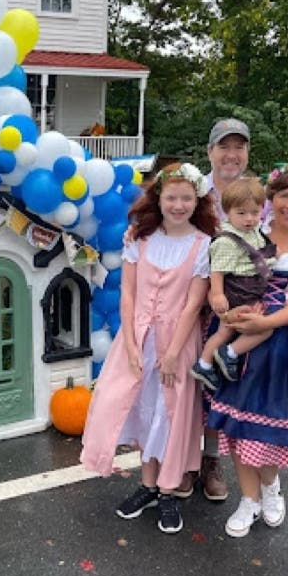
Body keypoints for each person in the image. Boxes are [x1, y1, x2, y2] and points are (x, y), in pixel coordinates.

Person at [79, 162, 218, 535]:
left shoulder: (203, 244)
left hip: (178, 343)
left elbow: (193, 303)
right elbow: (127, 292)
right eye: (171, 197)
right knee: (140, 408)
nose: (178, 205)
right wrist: (129, 342)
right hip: (138, 339)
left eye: (186, 198)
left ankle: (169, 491)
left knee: (171, 415)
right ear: (158, 198)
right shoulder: (138, 238)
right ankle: (148, 485)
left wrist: (173, 353)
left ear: (197, 200)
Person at [205, 161, 288, 538]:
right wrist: (230, 311)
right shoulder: (249, 232)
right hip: (242, 337)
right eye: (284, 194)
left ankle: (270, 487)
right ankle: (248, 500)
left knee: (269, 429)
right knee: (239, 425)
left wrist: (265, 323)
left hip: (286, 344)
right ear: (271, 198)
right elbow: (223, 277)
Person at [176, 117, 260, 502]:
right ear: (210, 151)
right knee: (184, 382)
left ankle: (210, 460)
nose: (231, 154)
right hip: (189, 300)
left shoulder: (257, 196)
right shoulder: (193, 192)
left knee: (218, 385)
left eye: (238, 147)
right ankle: (182, 461)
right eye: (224, 146)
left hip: (237, 306)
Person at [190, 176, 277, 393]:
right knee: (264, 328)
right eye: (241, 213)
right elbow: (217, 271)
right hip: (239, 291)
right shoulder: (227, 240)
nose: (249, 219)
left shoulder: (253, 232)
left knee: (224, 331)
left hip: (251, 287)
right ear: (227, 211)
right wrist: (218, 295)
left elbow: (258, 255)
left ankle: (204, 364)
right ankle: (228, 353)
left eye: (255, 213)